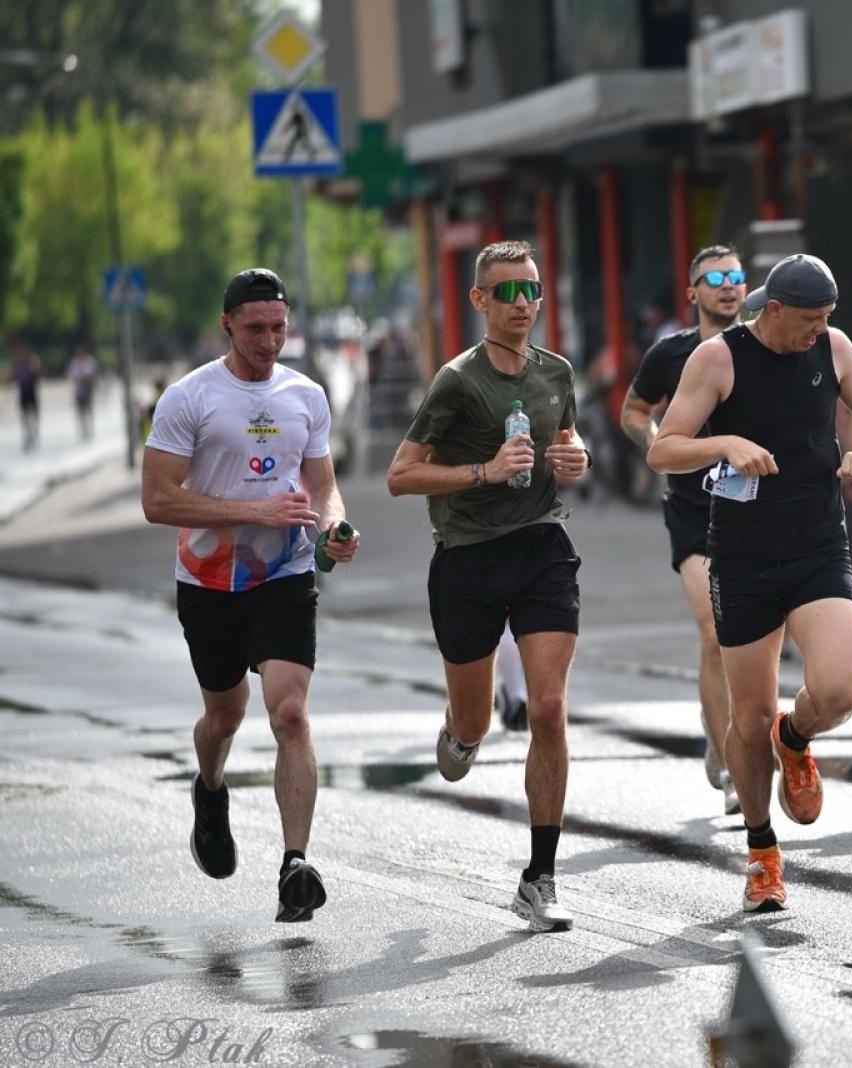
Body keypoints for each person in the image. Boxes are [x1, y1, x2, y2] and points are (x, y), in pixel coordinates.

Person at [648, 253, 852, 912]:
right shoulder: (718, 360)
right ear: (775, 310)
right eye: (809, 321)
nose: (818, 333)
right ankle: (762, 852)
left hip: (818, 543)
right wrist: (724, 443)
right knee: (749, 714)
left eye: (827, 321)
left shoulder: (835, 346)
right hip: (742, 556)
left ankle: (797, 737)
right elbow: (663, 447)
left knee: (841, 691)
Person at [141, 267, 361, 923]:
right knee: (224, 718)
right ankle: (210, 788)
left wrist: (334, 527)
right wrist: (251, 512)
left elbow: (322, 485)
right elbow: (157, 499)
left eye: (279, 327)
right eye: (256, 329)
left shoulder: (306, 395)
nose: (270, 341)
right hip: (208, 582)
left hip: (286, 576)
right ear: (228, 325)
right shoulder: (189, 398)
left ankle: (295, 864)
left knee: (289, 712)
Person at [386, 239, 592, 930]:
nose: (521, 304)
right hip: (469, 557)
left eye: (529, 290)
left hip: (541, 546)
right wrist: (483, 472)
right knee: (474, 721)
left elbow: (567, 444)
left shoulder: (557, 371)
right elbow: (401, 475)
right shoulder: (456, 382)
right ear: (478, 301)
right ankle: (461, 730)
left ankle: (540, 877)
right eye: (505, 292)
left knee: (550, 708)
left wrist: (574, 456)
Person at [621, 244, 749, 816]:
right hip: (694, 510)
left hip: (755, 508)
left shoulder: (763, 344)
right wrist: (656, 444)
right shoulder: (670, 353)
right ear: (692, 293)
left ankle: (729, 728)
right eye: (714, 278)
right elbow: (633, 408)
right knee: (715, 632)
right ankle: (728, 760)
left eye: (737, 276)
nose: (728, 286)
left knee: (750, 638)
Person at [9, 336, 41, 451]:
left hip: (31, 392)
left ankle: (34, 432)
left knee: (34, 414)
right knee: (24, 416)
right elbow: (12, 377)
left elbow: (38, 376)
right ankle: (27, 435)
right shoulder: (17, 364)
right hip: (23, 393)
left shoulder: (33, 362)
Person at [68, 344, 98, 441]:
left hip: (88, 389)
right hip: (79, 390)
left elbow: (93, 374)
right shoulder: (74, 362)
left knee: (88, 409)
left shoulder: (89, 361)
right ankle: (83, 428)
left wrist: (86, 379)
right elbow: (72, 375)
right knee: (80, 410)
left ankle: (89, 427)